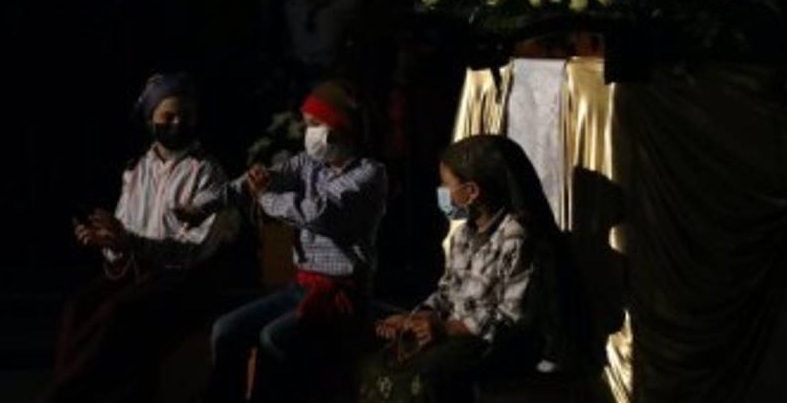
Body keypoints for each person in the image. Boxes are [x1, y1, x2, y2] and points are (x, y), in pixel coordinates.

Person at [177, 80, 388, 401]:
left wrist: (267, 198)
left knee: (272, 339)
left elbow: (319, 212)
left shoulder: (369, 174)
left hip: (341, 294)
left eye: (315, 124)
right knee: (225, 330)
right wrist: (203, 207)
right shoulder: (308, 163)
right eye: (307, 125)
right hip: (301, 286)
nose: (309, 133)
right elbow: (255, 182)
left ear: (339, 125)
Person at [44, 73, 239, 402]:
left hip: (183, 282)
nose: (177, 123)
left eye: (186, 116)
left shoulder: (207, 173)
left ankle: (63, 396)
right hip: (141, 273)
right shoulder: (137, 170)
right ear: (151, 119)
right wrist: (107, 244)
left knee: (118, 314)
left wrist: (131, 244)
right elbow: (123, 236)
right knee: (79, 306)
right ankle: (70, 390)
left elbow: (194, 251)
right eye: (168, 116)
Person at [358, 135, 574, 402]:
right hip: (450, 332)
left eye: (446, 185)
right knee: (377, 363)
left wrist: (446, 329)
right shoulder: (463, 235)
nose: (441, 192)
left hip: (490, 345)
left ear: (471, 192)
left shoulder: (516, 237)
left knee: (421, 379)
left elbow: (511, 317)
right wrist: (414, 318)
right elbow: (447, 291)